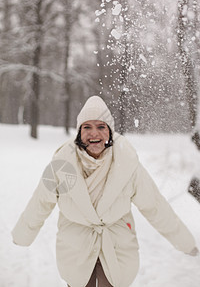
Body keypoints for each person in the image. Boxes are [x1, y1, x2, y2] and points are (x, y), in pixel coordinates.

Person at [12, 96, 198, 287]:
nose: (95, 133)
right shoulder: (62, 164)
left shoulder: (126, 163)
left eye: (101, 127)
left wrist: (184, 241)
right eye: (87, 127)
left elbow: (155, 206)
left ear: (110, 131)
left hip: (117, 245)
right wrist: (22, 235)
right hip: (75, 246)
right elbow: (41, 202)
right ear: (78, 132)